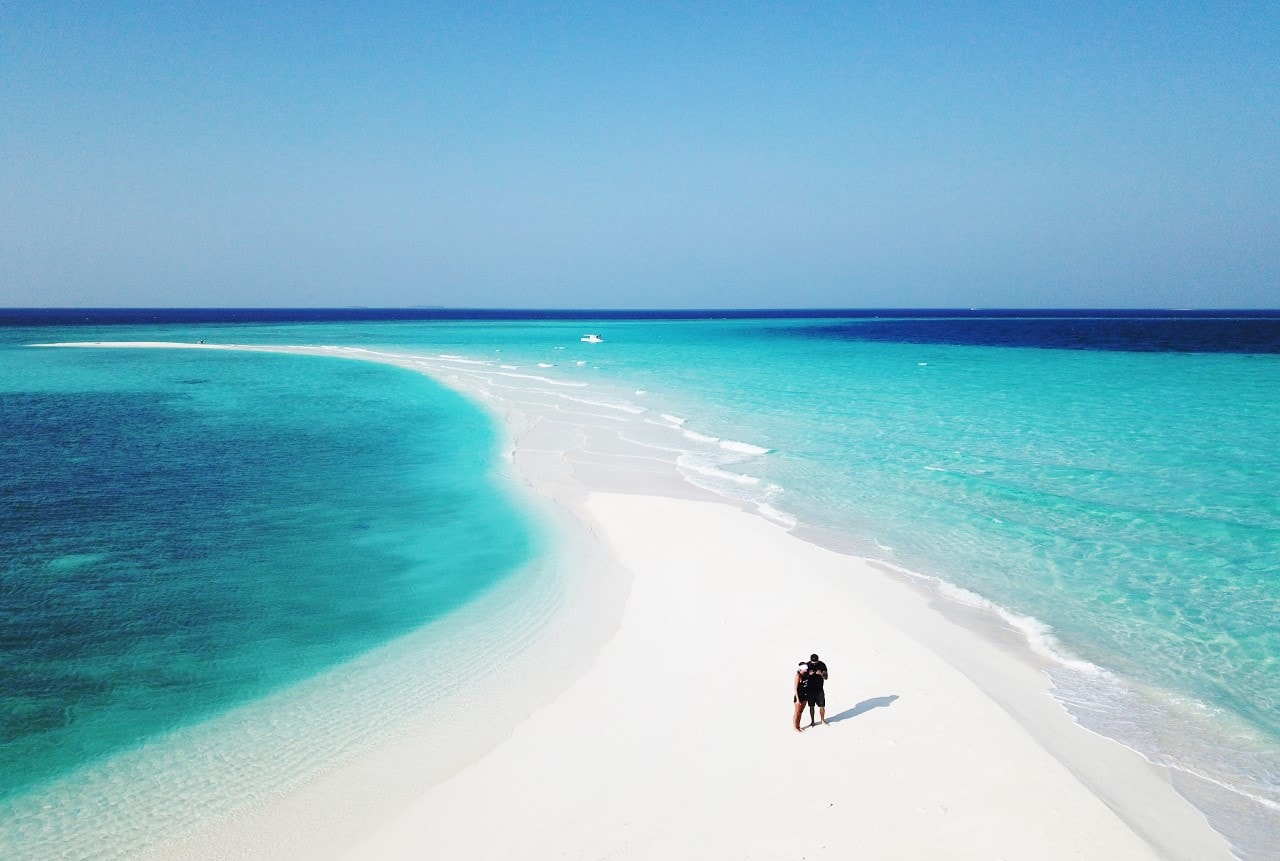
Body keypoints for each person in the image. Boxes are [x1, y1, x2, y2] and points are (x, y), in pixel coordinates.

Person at [805, 653, 829, 727]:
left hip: (819, 689)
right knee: (811, 706)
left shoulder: (822, 665)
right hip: (810, 689)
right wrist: (808, 674)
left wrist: (821, 674)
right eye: (813, 662)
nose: (814, 663)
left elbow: (826, 677)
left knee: (822, 705)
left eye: (816, 662)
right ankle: (812, 721)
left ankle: (822, 720)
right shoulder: (807, 665)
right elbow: (802, 677)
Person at [792, 661, 810, 732]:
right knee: (797, 712)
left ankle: (798, 726)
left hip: (805, 695)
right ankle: (795, 727)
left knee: (801, 712)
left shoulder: (806, 674)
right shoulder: (798, 676)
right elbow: (795, 688)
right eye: (805, 668)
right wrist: (797, 699)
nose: (807, 669)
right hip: (799, 696)